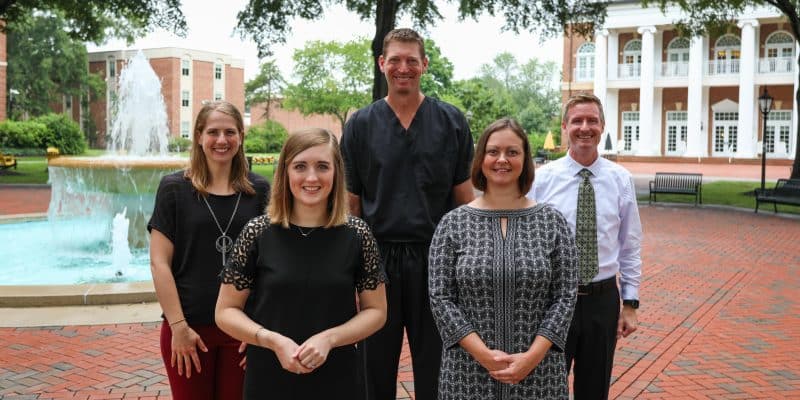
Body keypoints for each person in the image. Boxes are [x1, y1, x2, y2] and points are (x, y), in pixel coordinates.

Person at [340, 27, 475, 400]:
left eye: (411, 61)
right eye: (395, 60)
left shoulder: (451, 122)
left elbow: (465, 201)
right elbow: (352, 207)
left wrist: (469, 264)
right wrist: (352, 272)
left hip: (437, 260)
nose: (403, 68)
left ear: (424, 65)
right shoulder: (360, 125)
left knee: (437, 368)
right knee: (373, 369)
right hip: (377, 259)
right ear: (382, 63)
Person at [215, 128, 388, 399]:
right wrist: (270, 340)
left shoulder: (357, 234)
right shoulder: (257, 233)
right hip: (269, 375)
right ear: (285, 172)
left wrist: (330, 339)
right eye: (300, 166)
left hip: (338, 376)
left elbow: (377, 311)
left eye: (322, 166)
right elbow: (225, 311)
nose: (311, 177)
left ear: (336, 172)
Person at [428, 118, 578, 400]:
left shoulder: (552, 222)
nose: (502, 160)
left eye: (512, 152)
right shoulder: (453, 224)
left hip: (539, 370)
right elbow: (440, 297)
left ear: (525, 159)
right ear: (481, 158)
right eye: (493, 151)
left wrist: (532, 357)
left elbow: (565, 296)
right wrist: (483, 355)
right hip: (467, 370)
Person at [148, 100, 270, 400]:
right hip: (188, 328)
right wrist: (178, 326)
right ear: (199, 137)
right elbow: (159, 263)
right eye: (213, 132)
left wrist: (261, 330)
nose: (221, 140)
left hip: (243, 329)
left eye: (230, 132)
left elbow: (272, 264)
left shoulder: (259, 191)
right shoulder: (174, 189)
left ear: (240, 136)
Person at [528, 93, 642, 399]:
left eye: (592, 120)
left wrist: (630, 304)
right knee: (546, 388)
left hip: (601, 301)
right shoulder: (542, 180)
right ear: (565, 126)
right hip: (553, 299)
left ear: (602, 126)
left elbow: (630, 245)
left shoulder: (621, 180)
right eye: (577, 120)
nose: (584, 127)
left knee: (594, 390)